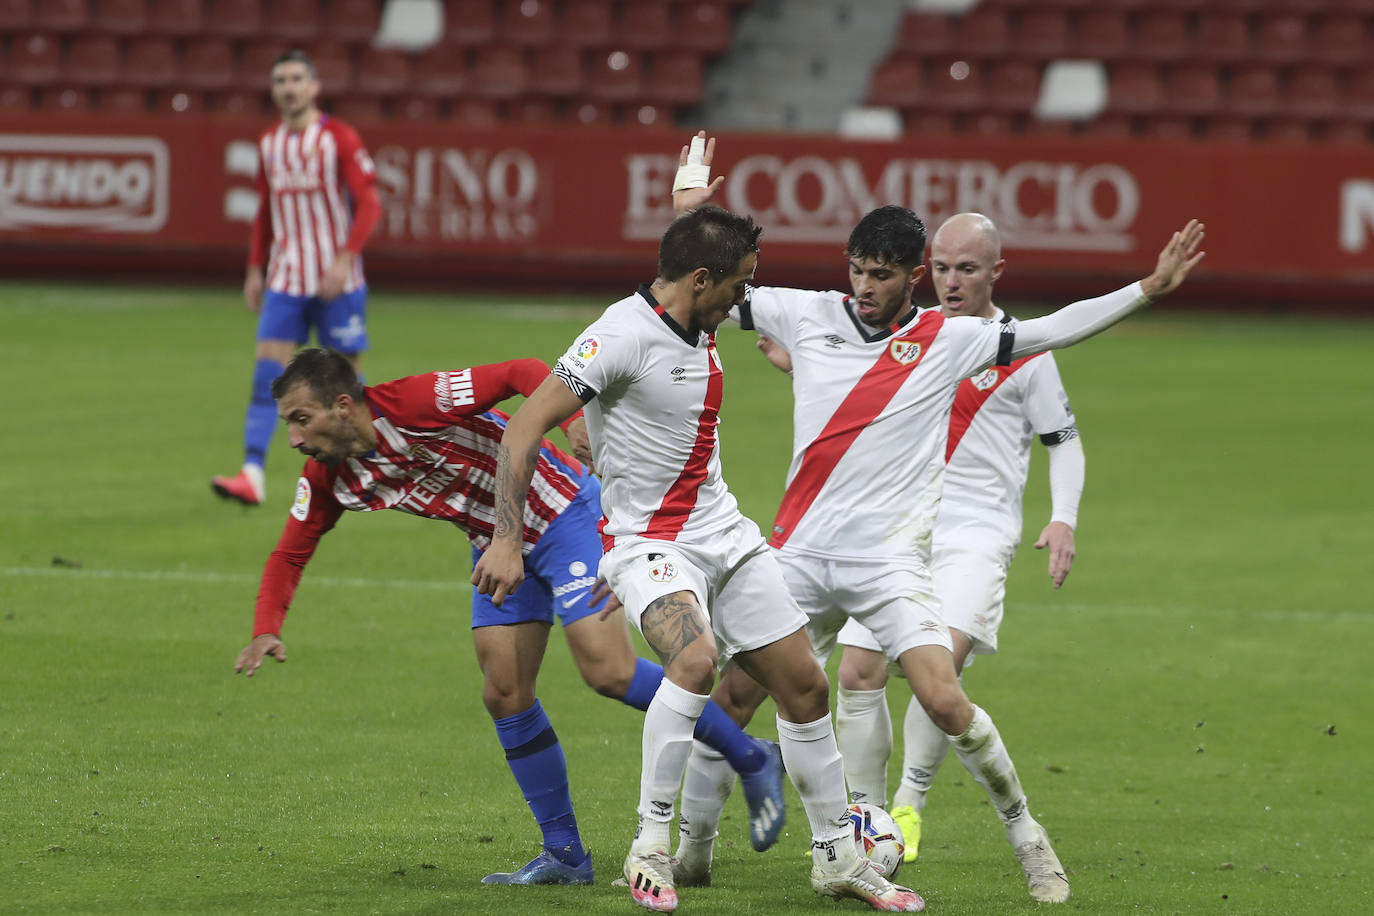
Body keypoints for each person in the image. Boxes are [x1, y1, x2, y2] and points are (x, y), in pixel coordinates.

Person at [667, 132, 1204, 904]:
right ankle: (693, 849)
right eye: (855, 270)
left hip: (888, 563)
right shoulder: (802, 312)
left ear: (912, 276)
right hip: (799, 553)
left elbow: (1054, 329)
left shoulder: (953, 340)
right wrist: (692, 209)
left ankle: (1029, 839)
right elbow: (703, 286)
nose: (862, 287)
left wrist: (1145, 289)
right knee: (734, 698)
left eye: (879, 275)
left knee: (945, 699)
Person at [472, 207, 926, 913]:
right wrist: (506, 537)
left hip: (726, 534)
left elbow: (690, 256)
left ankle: (838, 856)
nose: (745, 300)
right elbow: (523, 428)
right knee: (693, 661)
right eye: (739, 284)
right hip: (651, 542)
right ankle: (651, 845)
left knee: (805, 686)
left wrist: (691, 207)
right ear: (702, 279)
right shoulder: (619, 335)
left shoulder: (698, 311)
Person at [232, 347, 787, 887]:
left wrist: (571, 421)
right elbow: (289, 553)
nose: (296, 438)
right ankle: (566, 855)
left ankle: (750, 756)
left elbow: (520, 371)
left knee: (607, 671)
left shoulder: (415, 404)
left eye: (302, 420)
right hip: (498, 545)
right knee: (504, 691)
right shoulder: (330, 478)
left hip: (566, 511)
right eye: (288, 424)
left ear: (344, 406)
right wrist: (265, 627)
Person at [830, 212, 1085, 867]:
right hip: (901, 531)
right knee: (857, 671)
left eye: (966, 269)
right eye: (940, 267)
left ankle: (910, 802)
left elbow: (1063, 441)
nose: (950, 281)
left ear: (995, 272)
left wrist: (1063, 517)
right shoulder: (909, 338)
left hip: (977, 535)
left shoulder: (1021, 347)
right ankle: (869, 820)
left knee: (933, 674)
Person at [212, 49, 381, 507]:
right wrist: (254, 268)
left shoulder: (339, 138)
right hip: (286, 278)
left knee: (347, 383)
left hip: (336, 283)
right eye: (281, 80)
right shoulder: (269, 143)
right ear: (274, 90)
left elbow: (369, 204)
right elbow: (266, 210)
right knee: (267, 374)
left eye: (296, 79)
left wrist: (345, 260)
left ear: (313, 87)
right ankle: (252, 474)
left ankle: (368, 469)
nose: (288, 87)